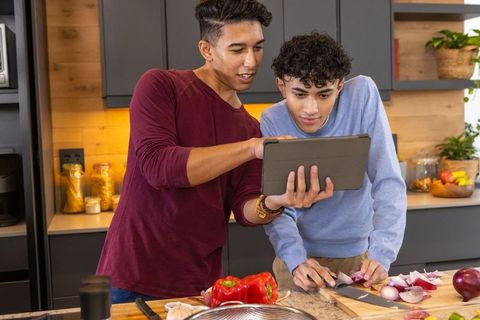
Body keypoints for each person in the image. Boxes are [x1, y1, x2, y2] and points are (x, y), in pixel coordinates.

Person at [96, 1, 333, 303]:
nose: (251, 62)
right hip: (133, 277)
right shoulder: (160, 86)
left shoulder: (249, 126)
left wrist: (276, 202)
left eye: (257, 47)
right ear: (206, 50)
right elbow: (159, 166)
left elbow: (245, 209)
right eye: (238, 50)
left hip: (202, 284)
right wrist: (251, 149)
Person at [260, 32, 407, 292]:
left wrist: (383, 252)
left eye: (324, 95)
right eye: (300, 94)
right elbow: (278, 204)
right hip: (299, 264)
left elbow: (388, 180)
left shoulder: (362, 95)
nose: (311, 108)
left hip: (359, 260)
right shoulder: (271, 120)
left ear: (340, 85)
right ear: (282, 86)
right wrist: (295, 260)